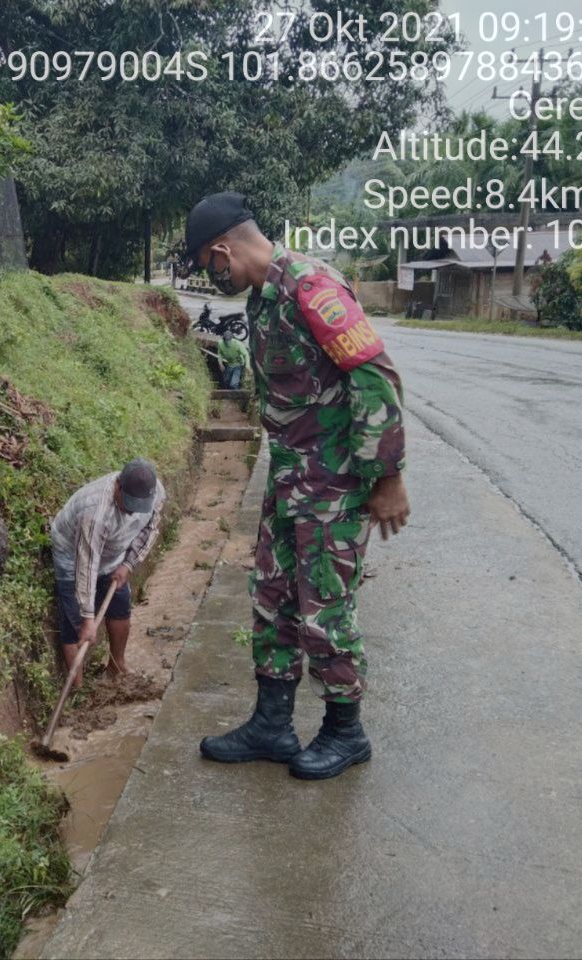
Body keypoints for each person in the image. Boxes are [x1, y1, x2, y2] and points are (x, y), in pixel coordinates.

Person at [183, 191, 410, 781]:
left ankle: (345, 732)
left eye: (209, 266)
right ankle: (272, 725)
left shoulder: (311, 287)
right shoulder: (264, 296)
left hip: (333, 483)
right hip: (291, 477)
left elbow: (375, 375)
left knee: (325, 607)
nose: (213, 278)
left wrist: (388, 476)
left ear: (223, 250)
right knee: (273, 595)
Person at [50, 459, 166, 689]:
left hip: (115, 551)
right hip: (73, 553)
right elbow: (86, 565)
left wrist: (128, 564)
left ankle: (116, 666)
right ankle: (77, 690)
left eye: (139, 505)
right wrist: (87, 618)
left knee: (120, 607)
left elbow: (150, 528)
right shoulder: (95, 512)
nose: (133, 511)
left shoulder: (155, 492)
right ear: (117, 486)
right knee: (75, 625)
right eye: (129, 504)